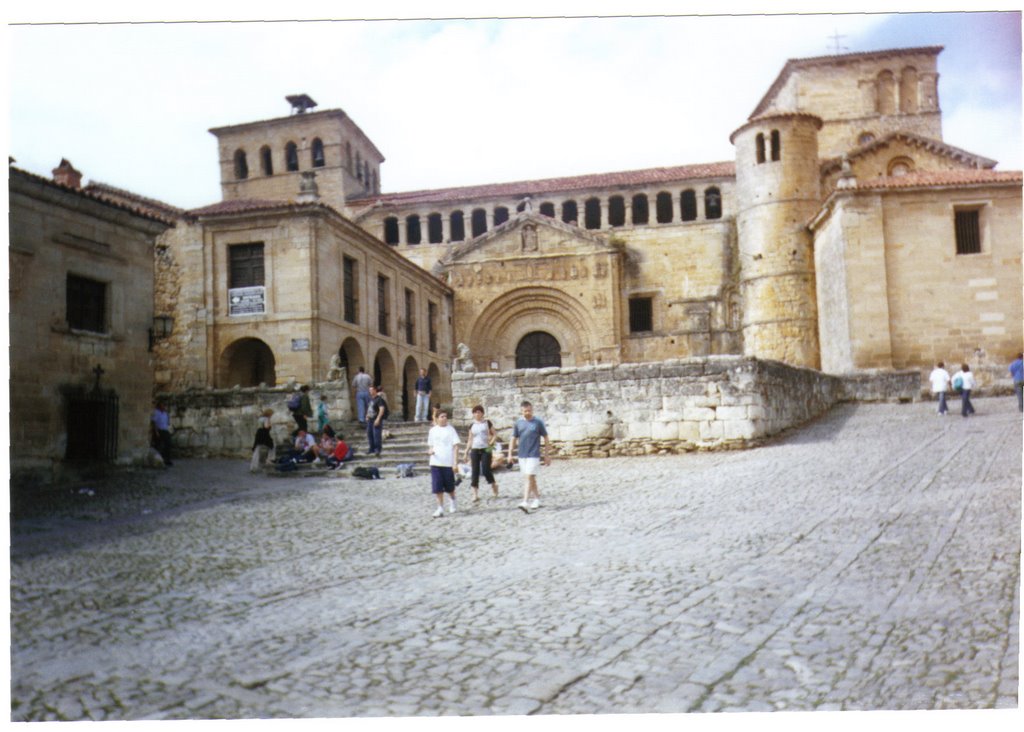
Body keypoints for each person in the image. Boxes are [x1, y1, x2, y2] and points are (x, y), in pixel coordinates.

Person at [507, 400, 549, 513]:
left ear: (532, 409)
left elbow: (545, 437)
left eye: (529, 410)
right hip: (522, 454)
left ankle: (525, 501)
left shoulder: (538, 422)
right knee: (531, 478)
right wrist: (510, 454)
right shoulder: (518, 423)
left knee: (528, 477)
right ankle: (536, 499)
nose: (528, 412)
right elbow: (513, 438)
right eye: (525, 411)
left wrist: (546, 455)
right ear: (521, 411)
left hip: (534, 454)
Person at [427, 409, 461, 517]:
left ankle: (453, 500)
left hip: (447, 462)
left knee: (450, 486)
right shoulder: (432, 431)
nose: (444, 418)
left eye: (445, 416)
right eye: (442, 416)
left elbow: (456, 447)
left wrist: (455, 462)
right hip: (436, 462)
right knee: (437, 486)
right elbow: (431, 445)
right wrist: (430, 451)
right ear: (437, 418)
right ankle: (440, 508)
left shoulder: (451, 430)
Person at [463, 405, 499, 502]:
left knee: (486, 470)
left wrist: (491, 444)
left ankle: (493, 485)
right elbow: (470, 439)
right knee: (475, 471)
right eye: (475, 412)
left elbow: (495, 434)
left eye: (479, 412)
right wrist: (466, 451)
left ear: (482, 413)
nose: (477, 414)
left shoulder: (487, 423)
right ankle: (475, 494)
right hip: (475, 449)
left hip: (486, 449)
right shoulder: (472, 425)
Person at [250, 408, 276, 472]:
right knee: (272, 446)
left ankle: (253, 466)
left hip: (259, 433)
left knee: (257, 449)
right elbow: (266, 426)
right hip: (264, 434)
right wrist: (270, 424)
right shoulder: (266, 419)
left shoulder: (260, 419)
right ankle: (269, 459)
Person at [366, 384, 388, 457]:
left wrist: (378, 419)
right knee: (370, 434)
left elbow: (382, 409)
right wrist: (367, 415)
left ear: (375, 390)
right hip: (370, 419)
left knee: (376, 435)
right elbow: (369, 408)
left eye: (372, 390)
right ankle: (371, 448)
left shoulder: (379, 399)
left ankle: (377, 449)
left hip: (376, 419)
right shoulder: (370, 399)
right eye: (369, 391)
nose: (370, 392)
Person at [151, 401, 173, 466]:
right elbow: (154, 423)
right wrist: (156, 432)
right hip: (159, 431)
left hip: (165, 430)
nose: (163, 407)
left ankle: (167, 459)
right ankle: (159, 459)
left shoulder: (165, 413)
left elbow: (167, 422)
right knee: (158, 445)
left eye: (164, 405)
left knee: (168, 444)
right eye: (162, 405)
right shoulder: (156, 413)